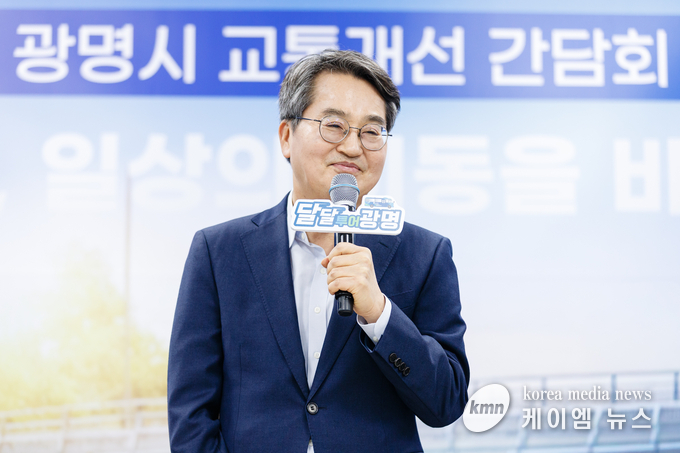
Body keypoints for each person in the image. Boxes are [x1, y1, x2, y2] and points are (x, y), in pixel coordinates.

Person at [168, 49, 469, 453]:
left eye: (371, 131)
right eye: (334, 126)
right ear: (286, 137)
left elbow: (447, 402)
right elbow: (190, 413)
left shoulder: (426, 254)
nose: (353, 147)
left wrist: (379, 313)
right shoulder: (218, 252)